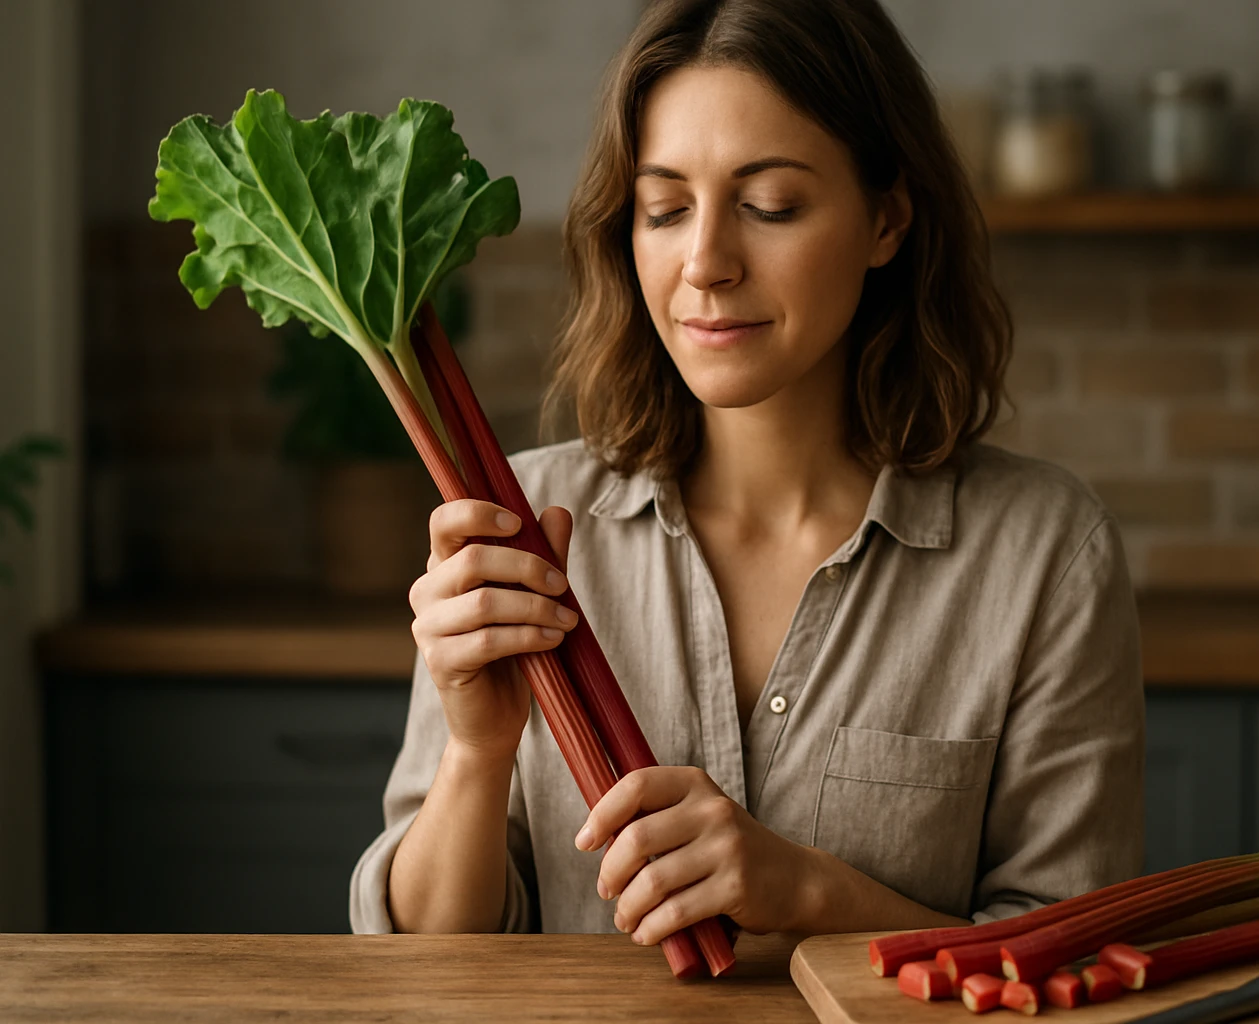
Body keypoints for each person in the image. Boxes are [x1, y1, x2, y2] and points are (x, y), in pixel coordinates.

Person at [351, 0, 1143, 943]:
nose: (706, 262)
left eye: (770, 205)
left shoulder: (1043, 552)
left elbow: (1071, 956)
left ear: (887, 219)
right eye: (665, 209)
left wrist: (810, 894)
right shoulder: (520, 526)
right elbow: (420, 961)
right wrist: (478, 754)